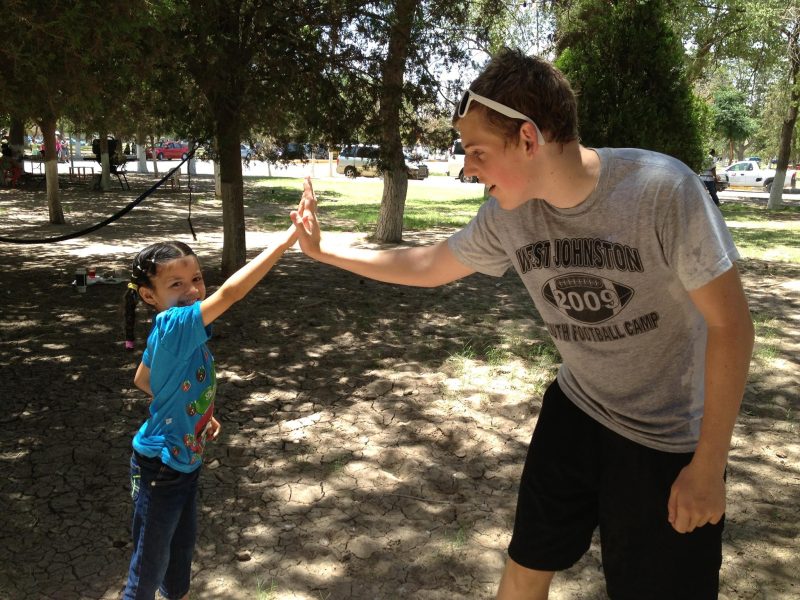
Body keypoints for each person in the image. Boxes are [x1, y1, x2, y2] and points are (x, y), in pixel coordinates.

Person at [291, 48, 754, 600]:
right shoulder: (509, 214)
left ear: (529, 139)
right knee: (527, 564)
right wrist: (326, 253)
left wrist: (708, 465)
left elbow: (731, 326)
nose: (467, 168)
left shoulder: (661, 191)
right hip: (578, 409)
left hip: (669, 433)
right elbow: (432, 263)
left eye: (477, 151)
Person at [121, 211, 299, 599]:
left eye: (197, 279)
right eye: (176, 284)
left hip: (184, 462)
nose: (192, 290)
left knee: (180, 554)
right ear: (149, 296)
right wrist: (285, 243)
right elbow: (232, 293)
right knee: (147, 571)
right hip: (161, 465)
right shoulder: (175, 324)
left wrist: (197, 410)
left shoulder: (176, 330)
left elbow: (143, 379)